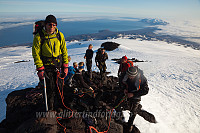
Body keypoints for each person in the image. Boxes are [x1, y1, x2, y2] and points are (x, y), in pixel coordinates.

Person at [32, 15, 68, 111]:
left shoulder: (60, 35)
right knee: (49, 88)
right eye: (49, 24)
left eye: (54, 24)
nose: (52, 26)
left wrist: (65, 65)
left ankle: (60, 106)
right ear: (45, 24)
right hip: (46, 67)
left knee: (59, 87)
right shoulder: (39, 37)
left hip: (58, 65)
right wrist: (40, 69)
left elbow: (64, 51)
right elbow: (36, 54)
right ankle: (50, 108)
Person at [122, 66, 149, 132]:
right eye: (128, 75)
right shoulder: (125, 74)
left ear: (135, 75)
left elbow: (145, 91)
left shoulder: (142, 79)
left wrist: (133, 94)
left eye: (131, 76)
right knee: (122, 103)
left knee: (133, 111)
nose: (129, 77)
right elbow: (121, 82)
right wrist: (123, 89)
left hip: (136, 95)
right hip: (127, 93)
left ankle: (129, 125)